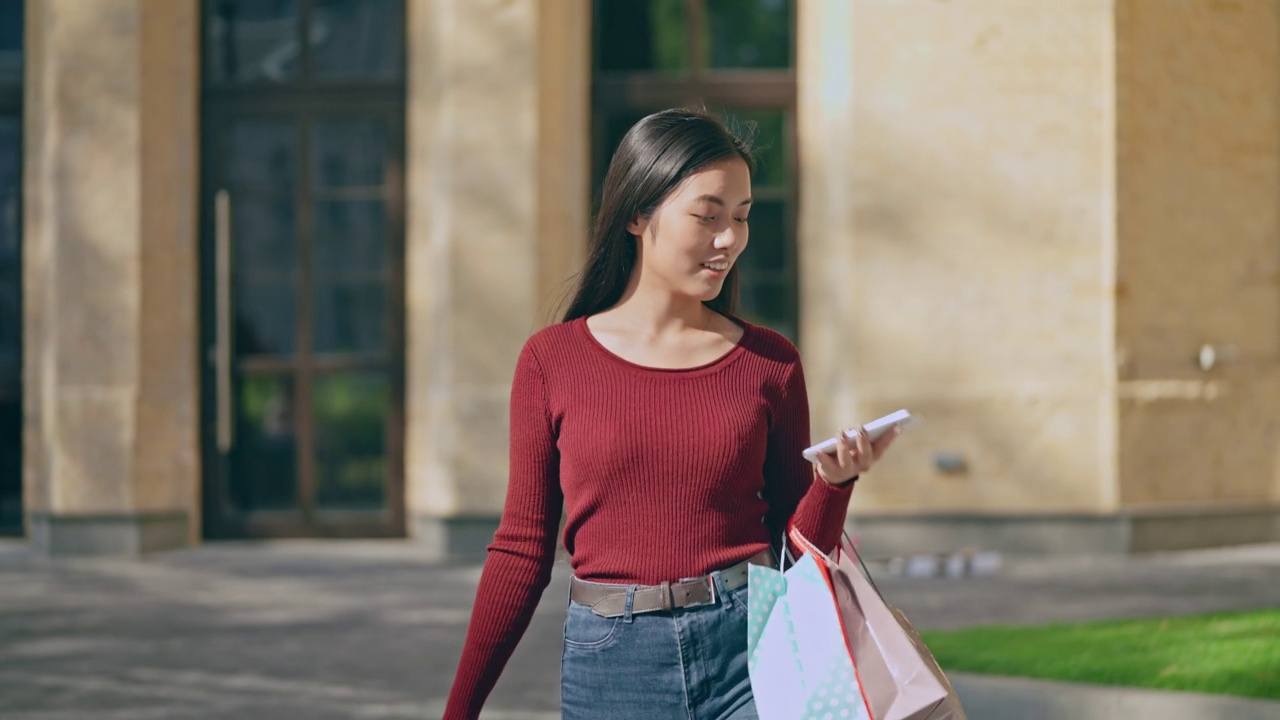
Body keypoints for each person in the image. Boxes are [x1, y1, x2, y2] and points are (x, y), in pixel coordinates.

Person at [443, 108, 899, 720]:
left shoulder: (769, 362)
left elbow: (798, 555)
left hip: (754, 652)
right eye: (708, 216)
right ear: (637, 215)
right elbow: (522, 551)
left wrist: (834, 484)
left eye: (740, 218)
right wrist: (459, 710)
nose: (729, 239)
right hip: (613, 664)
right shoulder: (552, 360)